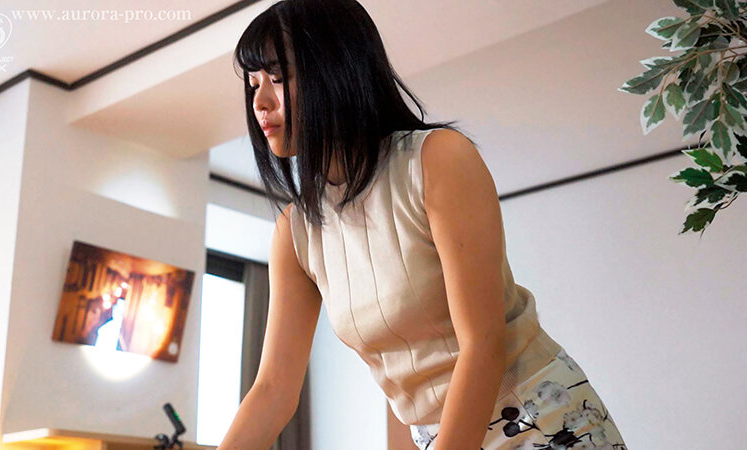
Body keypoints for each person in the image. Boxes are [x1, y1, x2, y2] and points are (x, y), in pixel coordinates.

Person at [220, 1, 629, 449]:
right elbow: (273, 391)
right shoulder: (296, 233)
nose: (259, 102)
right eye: (253, 83)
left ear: (335, 68)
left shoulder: (437, 159)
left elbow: (483, 344)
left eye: (278, 78)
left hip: (540, 417)